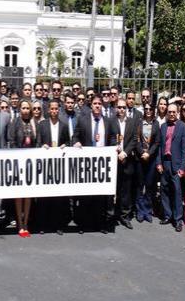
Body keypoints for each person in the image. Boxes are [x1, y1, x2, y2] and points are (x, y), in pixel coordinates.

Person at [73, 94, 117, 234]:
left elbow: (112, 139)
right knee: (86, 195)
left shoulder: (108, 122)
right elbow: (75, 135)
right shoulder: (83, 120)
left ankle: (101, 224)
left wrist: (114, 147)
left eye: (99, 103)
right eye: (95, 103)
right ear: (91, 105)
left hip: (102, 165)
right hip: (87, 164)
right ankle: (84, 224)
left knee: (101, 196)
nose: (97, 105)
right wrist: (76, 142)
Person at [36, 99, 70, 235]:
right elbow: (38, 141)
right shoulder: (42, 125)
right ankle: (43, 224)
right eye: (52, 109)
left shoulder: (64, 125)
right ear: (48, 110)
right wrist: (42, 146)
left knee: (58, 197)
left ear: (58, 110)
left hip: (59, 166)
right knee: (44, 196)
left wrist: (64, 145)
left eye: (56, 109)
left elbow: (68, 141)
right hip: (46, 165)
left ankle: (58, 225)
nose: (54, 111)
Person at [156, 103, 185, 232]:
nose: (171, 114)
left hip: (176, 164)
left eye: (174, 112)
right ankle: (167, 215)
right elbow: (160, 146)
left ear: (177, 112)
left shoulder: (182, 127)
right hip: (165, 162)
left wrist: (182, 167)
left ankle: (178, 219)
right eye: (169, 112)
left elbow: (184, 148)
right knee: (164, 190)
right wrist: (158, 162)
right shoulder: (163, 126)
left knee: (176, 191)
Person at [8, 99, 36, 237]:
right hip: (19, 164)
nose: (25, 110)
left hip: (31, 164)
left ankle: (26, 223)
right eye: (23, 108)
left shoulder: (33, 122)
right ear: (20, 109)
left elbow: (38, 141)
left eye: (27, 108)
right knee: (19, 195)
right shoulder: (15, 123)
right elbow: (11, 141)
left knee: (28, 195)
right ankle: (19, 223)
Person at [112, 98, 139, 230]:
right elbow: (110, 137)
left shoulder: (132, 122)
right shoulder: (111, 121)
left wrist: (125, 153)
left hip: (127, 160)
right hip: (114, 159)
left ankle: (125, 216)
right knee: (115, 189)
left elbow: (134, 139)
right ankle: (114, 215)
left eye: (124, 107)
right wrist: (116, 149)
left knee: (126, 191)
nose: (121, 109)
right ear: (116, 108)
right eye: (119, 107)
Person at [135, 103, 160, 223]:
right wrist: (141, 153)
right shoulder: (139, 122)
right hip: (140, 158)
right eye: (146, 109)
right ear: (144, 110)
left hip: (151, 159)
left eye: (151, 109)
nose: (148, 111)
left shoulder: (156, 124)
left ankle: (147, 211)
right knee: (140, 185)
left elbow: (156, 142)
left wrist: (149, 153)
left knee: (149, 186)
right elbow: (136, 140)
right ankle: (140, 211)